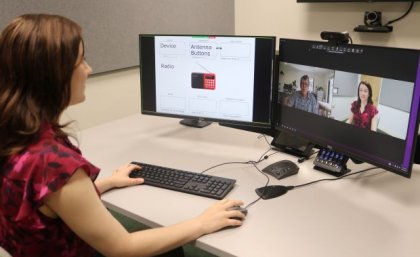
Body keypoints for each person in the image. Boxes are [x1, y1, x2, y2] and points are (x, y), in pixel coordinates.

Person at [0, 14, 245, 257]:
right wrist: (202, 222)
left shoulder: (15, 134)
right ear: (53, 76)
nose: (88, 69)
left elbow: (45, 199)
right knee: (172, 249)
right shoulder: (53, 163)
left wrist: (104, 184)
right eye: (81, 61)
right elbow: (122, 249)